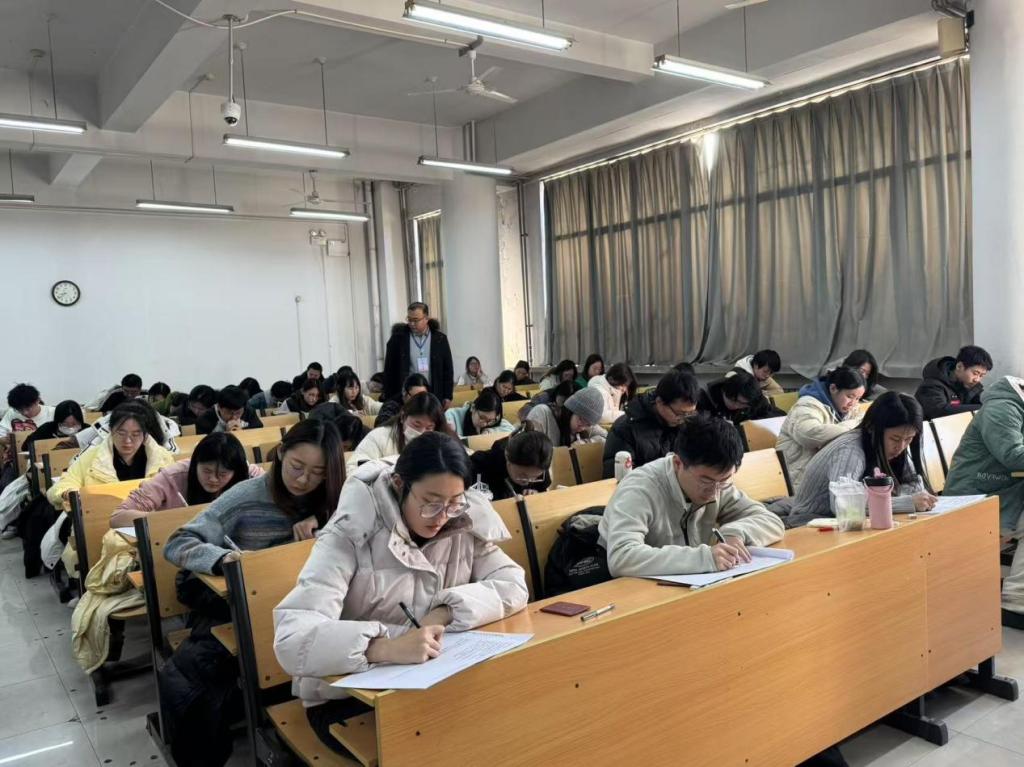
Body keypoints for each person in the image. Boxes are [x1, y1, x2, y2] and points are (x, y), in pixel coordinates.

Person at [273, 430, 529, 753]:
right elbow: (292, 639)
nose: (442, 517)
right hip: (346, 699)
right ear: (398, 484)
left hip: (433, 685)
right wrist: (385, 648)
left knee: (513, 722)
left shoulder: (460, 523)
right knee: (449, 748)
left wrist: (444, 612)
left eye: (453, 502)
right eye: (430, 503)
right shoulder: (349, 533)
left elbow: (513, 584)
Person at [161, 419, 343, 767]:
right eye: (297, 466)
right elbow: (178, 542)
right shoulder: (245, 496)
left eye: (318, 473)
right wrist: (223, 559)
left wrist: (324, 521)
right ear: (281, 453)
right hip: (242, 608)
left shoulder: (335, 498)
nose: (304, 480)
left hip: (311, 609)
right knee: (191, 678)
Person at [598, 414, 785, 576]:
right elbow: (622, 557)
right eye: (705, 480)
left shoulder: (719, 484)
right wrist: (704, 558)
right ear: (678, 463)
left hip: (688, 582)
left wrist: (736, 532)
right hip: (631, 588)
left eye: (724, 480)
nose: (714, 491)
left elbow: (772, 521)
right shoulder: (640, 488)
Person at [786, 392, 937, 528]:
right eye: (895, 439)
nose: (901, 446)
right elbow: (844, 505)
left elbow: (914, 488)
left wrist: (921, 500)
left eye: (909, 439)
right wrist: (908, 502)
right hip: (810, 524)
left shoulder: (894, 450)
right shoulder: (849, 450)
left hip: (848, 526)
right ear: (872, 428)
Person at [944, 376, 1024, 621]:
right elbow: (1014, 455)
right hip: (977, 494)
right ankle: (1016, 601)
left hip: (1005, 488)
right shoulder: (1002, 408)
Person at [110, 431, 263, 528]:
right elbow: (118, 517)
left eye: (222, 474)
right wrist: (177, 519)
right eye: (207, 471)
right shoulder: (172, 476)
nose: (213, 479)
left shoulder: (249, 475)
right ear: (195, 463)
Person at [47, 402, 176, 510]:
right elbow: (62, 485)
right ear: (111, 430)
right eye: (121, 433)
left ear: (145, 435)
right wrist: (68, 492)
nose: (128, 441)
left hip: (149, 522)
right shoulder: (92, 456)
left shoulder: (162, 457)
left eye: (135, 434)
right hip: (101, 519)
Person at [776, 367, 867, 491]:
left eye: (858, 398)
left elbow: (862, 419)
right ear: (833, 388)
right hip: (798, 481)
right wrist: (855, 426)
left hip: (822, 478)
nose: (853, 403)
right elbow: (810, 436)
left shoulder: (848, 409)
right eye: (850, 396)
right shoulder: (807, 405)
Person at [602, 370, 701, 478]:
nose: (683, 419)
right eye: (679, 414)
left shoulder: (687, 425)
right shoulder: (626, 428)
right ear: (659, 402)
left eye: (690, 414)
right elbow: (619, 477)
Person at [347, 392, 447, 473]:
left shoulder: (439, 443)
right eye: (416, 425)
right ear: (403, 417)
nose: (421, 432)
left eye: (429, 428)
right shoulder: (379, 437)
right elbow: (352, 469)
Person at [382, 302, 455, 408]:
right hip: (407, 397)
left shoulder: (440, 339)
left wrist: (448, 396)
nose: (412, 324)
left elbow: (448, 370)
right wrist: (389, 399)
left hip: (433, 395)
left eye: (416, 320)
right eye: (409, 319)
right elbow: (389, 371)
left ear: (426, 318)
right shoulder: (398, 339)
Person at [470, 422, 553, 500]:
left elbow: (542, 490)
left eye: (535, 477)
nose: (528, 482)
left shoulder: (540, 461)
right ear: (507, 456)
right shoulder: (479, 464)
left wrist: (536, 494)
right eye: (522, 475)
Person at [916, 345, 993, 420]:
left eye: (981, 375)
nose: (977, 379)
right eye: (975, 373)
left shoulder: (971, 385)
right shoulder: (931, 386)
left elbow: (986, 401)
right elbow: (939, 411)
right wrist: (982, 408)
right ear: (959, 366)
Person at [525, 387, 607, 446]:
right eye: (581, 419)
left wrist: (586, 442)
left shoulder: (586, 424)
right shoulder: (542, 413)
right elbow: (529, 447)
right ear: (570, 410)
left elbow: (606, 437)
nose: (582, 427)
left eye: (588, 424)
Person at [698, 371, 778, 426]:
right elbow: (698, 428)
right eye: (733, 400)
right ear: (724, 391)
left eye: (743, 404)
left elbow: (777, 415)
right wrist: (720, 427)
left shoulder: (754, 397)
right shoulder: (704, 398)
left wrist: (754, 424)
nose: (736, 406)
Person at [445, 388, 515, 438]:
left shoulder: (493, 420)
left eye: (489, 421)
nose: (484, 424)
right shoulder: (451, 415)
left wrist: (490, 431)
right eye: (482, 418)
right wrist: (478, 438)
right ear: (473, 408)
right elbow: (452, 440)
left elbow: (512, 430)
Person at [196, 386, 265, 434]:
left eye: (238, 413)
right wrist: (226, 434)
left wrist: (242, 432)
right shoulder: (205, 419)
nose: (234, 417)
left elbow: (259, 431)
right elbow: (204, 444)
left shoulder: (248, 411)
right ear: (218, 407)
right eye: (229, 413)